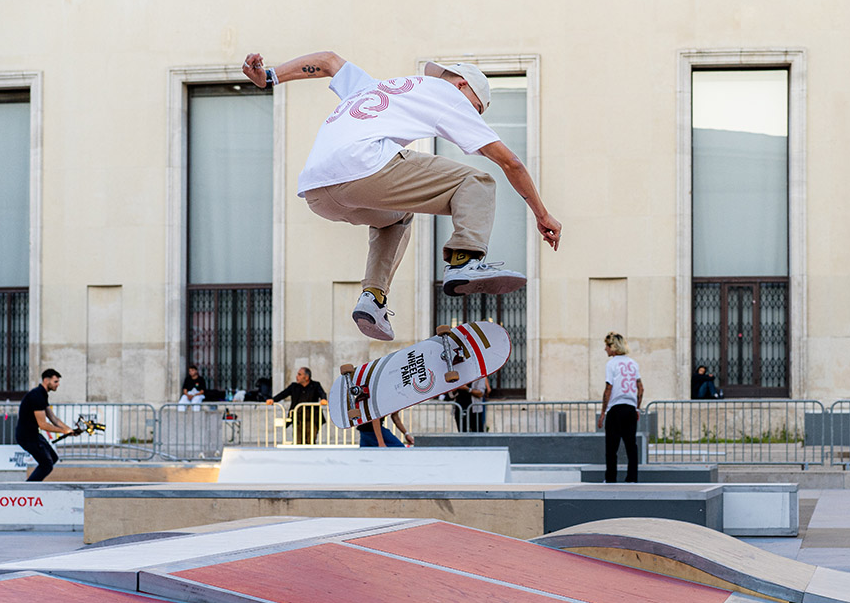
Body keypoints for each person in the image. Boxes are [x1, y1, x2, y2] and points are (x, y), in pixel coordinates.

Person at [241, 51, 561, 341]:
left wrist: (269, 77)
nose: (473, 118)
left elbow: (328, 61)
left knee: (398, 217)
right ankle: (465, 260)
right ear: (463, 85)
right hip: (365, 166)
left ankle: (373, 298)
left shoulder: (377, 87)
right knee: (477, 182)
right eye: (476, 110)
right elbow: (510, 162)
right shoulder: (449, 94)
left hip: (317, 190)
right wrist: (542, 214)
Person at [15, 369, 77, 482]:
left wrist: (68, 429)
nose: (58, 384)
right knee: (46, 464)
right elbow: (43, 425)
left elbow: (53, 418)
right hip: (26, 437)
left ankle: (32, 485)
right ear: (46, 380)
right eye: (55, 381)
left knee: (53, 458)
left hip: (33, 435)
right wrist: (63, 431)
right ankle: (28, 488)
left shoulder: (42, 394)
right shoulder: (36, 396)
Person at [597, 332, 643, 483]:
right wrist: (637, 407)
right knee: (631, 445)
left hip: (615, 408)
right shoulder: (633, 363)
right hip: (630, 408)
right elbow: (640, 388)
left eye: (607, 346)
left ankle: (610, 478)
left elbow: (608, 388)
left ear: (613, 347)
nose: (605, 349)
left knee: (612, 446)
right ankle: (632, 477)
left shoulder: (611, 364)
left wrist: (603, 411)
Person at [267, 367, 328, 445]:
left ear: (306, 377)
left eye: (299, 374)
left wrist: (323, 399)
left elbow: (322, 393)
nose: (297, 376)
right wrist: (273, 400)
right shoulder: (294, 386)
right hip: (298, 419)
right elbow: (283, 394)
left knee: (310, 441)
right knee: (297, 441)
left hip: (311, 419)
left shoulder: (315, 385)